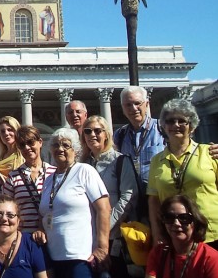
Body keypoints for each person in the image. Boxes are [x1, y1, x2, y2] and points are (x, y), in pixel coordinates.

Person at [36, 127, 110, 278]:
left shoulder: (84, 171)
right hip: (52, 256)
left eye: (65, 145)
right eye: (56, 145)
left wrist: (102, 247)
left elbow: (104, 208)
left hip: (79, 256)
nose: (60, 149)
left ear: (75, 149)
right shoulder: (49, 179)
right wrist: (40, 229)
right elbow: (45, 213)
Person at [147, 99, 218, 248]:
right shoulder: (156, 161)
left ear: (191, 126)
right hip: (175, 235)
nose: (176, 125)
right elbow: (154, 201)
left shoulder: (210, 153)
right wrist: (157, 233)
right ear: (164, 126)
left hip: (211, 233)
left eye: (182, 121)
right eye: (170, 121)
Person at [81, 115, 139, 277]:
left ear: (106, 134)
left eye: (97, 131)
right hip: (89, 236)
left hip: (113, 235)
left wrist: (106, 225)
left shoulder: (120, 160)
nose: (92, 134)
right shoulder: (83, 165)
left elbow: (129, 196)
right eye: (87, 131)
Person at [146, 195, 218, 278]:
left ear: (195, 221)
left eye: (184, 218)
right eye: (169, 218)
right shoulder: (158, 253)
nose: (176, 223)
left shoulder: (210, 258)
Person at [3, 126, 56, 232]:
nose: (27, 147)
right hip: (25, 236)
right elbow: (7, 207)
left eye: (30, 142)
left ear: (40, 142)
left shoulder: (55, 172)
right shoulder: (13, 177)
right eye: (22, 145)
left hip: (52, 235)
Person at [113, 86, 165, 188]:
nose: (133, 108)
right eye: (128, 105)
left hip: (158, 194)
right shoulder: (119, 135)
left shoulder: (162, 129)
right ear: (123, 109)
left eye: (137, 103)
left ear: (146, 104)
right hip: (132, 196)